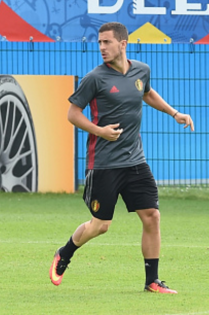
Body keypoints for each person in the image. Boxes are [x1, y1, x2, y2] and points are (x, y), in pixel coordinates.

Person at [49, 22, 194, 294]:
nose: (102, 47)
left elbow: (147, 93)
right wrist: (99, 131)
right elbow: (73, 113)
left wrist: (174, 113)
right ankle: (65, 253)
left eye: (107, 42)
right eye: (99, 42)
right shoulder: (94, 78)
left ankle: (152, 281)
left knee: (152, 215)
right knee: (101, 226)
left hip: (135, 161)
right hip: (104, 164)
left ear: (123, 43)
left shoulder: (141, 70)